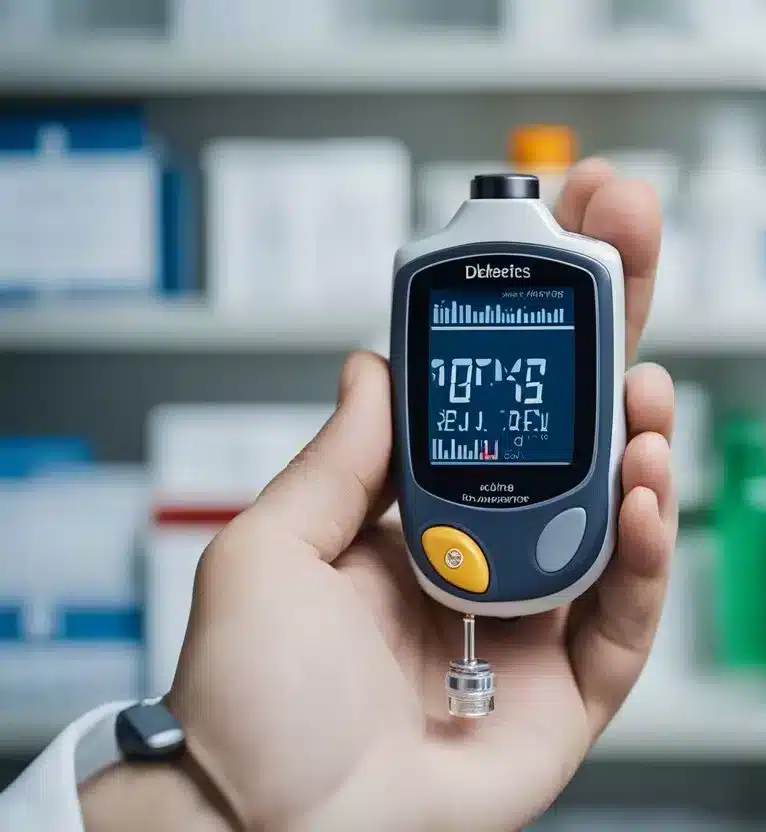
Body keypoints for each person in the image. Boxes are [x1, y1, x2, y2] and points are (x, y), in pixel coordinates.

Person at [0, 160, 676, 831]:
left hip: (485, 547)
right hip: (474, 553)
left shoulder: (461, 275)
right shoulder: (541, 274)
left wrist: (204, 802)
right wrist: (243, 794)